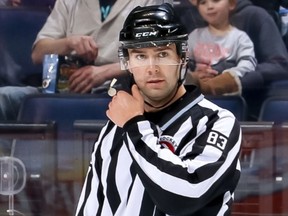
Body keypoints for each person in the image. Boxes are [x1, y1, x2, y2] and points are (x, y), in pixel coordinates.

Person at [76, 3, 241, 216]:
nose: (152, 68)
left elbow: (185, 196)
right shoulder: (114, 127)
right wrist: (130, 123)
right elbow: (93, 206)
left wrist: (135, 125)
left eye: (162, 54)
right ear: (128, 62)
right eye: (141, 56)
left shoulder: (217, 122)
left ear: (182, 58)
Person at [0, 0, 172, 121]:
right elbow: (38, 54)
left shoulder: (152, 2)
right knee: (4, 98)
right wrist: (69, 42)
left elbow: (159, 56)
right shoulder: (69, 2)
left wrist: (105, 72)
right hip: (65, 87)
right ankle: (10, 165)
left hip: (120, 88)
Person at [187, 0, 257, 95]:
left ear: (231, 4)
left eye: (216, 0)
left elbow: (248, 64)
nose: (210, 6)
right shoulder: (194, 36)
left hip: (226, 93)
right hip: (196, 91)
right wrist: (193, 76)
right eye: (203, 2)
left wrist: (226, 76)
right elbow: (182, 63)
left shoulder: (240, 37)